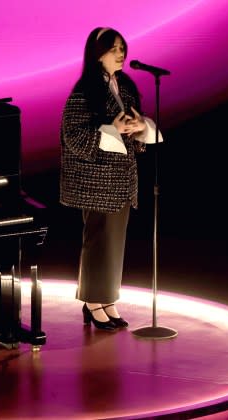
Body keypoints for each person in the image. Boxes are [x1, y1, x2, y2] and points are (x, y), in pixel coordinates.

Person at [59, 27, 162, 331]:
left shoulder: (125, 86)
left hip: (121, 178)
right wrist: (113, 130)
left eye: (122, 48)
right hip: (96, 180)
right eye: (114, 48)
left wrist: (137, 127)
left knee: (115, 242)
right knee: (97, 241)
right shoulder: (83, 92)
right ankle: (92, 302)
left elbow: (132, 124)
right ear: (98, 53)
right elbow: (74, 136)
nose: (121, 54)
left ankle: (108, 299)